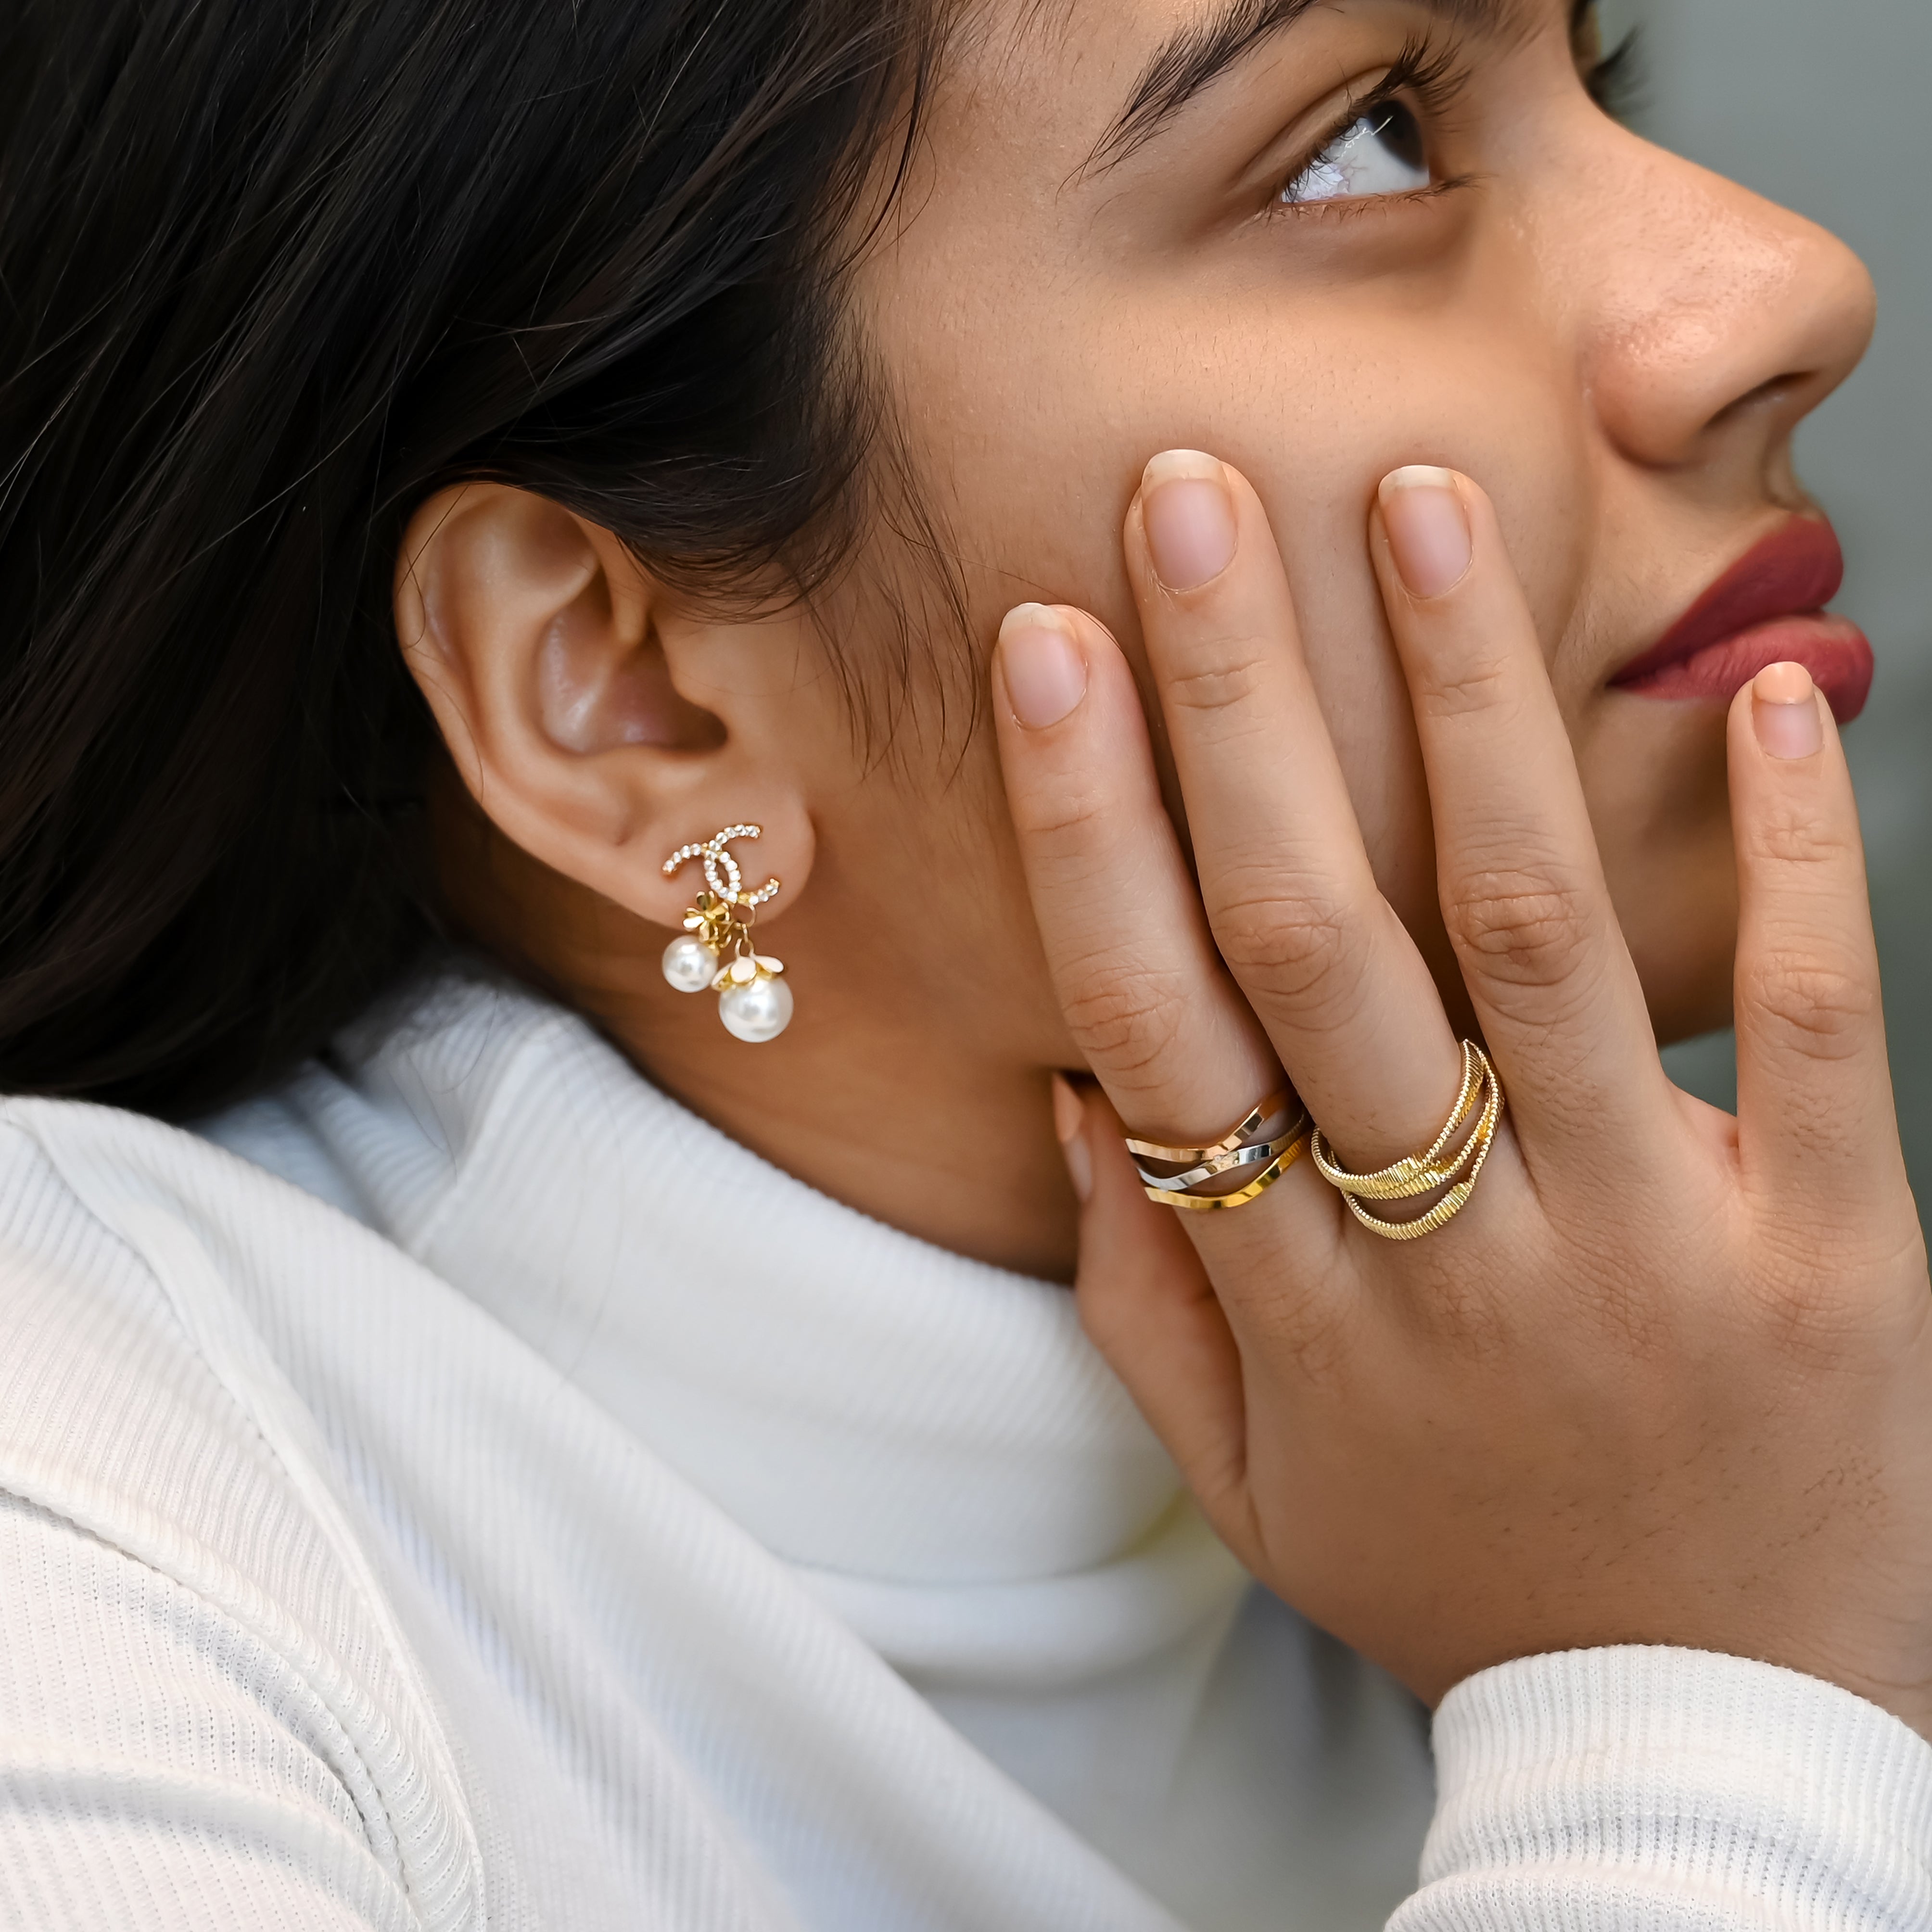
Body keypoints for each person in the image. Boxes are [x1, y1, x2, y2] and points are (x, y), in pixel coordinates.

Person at [0, 0, 1926, 1924]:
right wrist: (1714, 1700)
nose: (1785, 284)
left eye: (1593, 69)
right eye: (1360, 141)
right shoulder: (87, 1569)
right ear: (629, 695)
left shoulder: (1706, 1398)